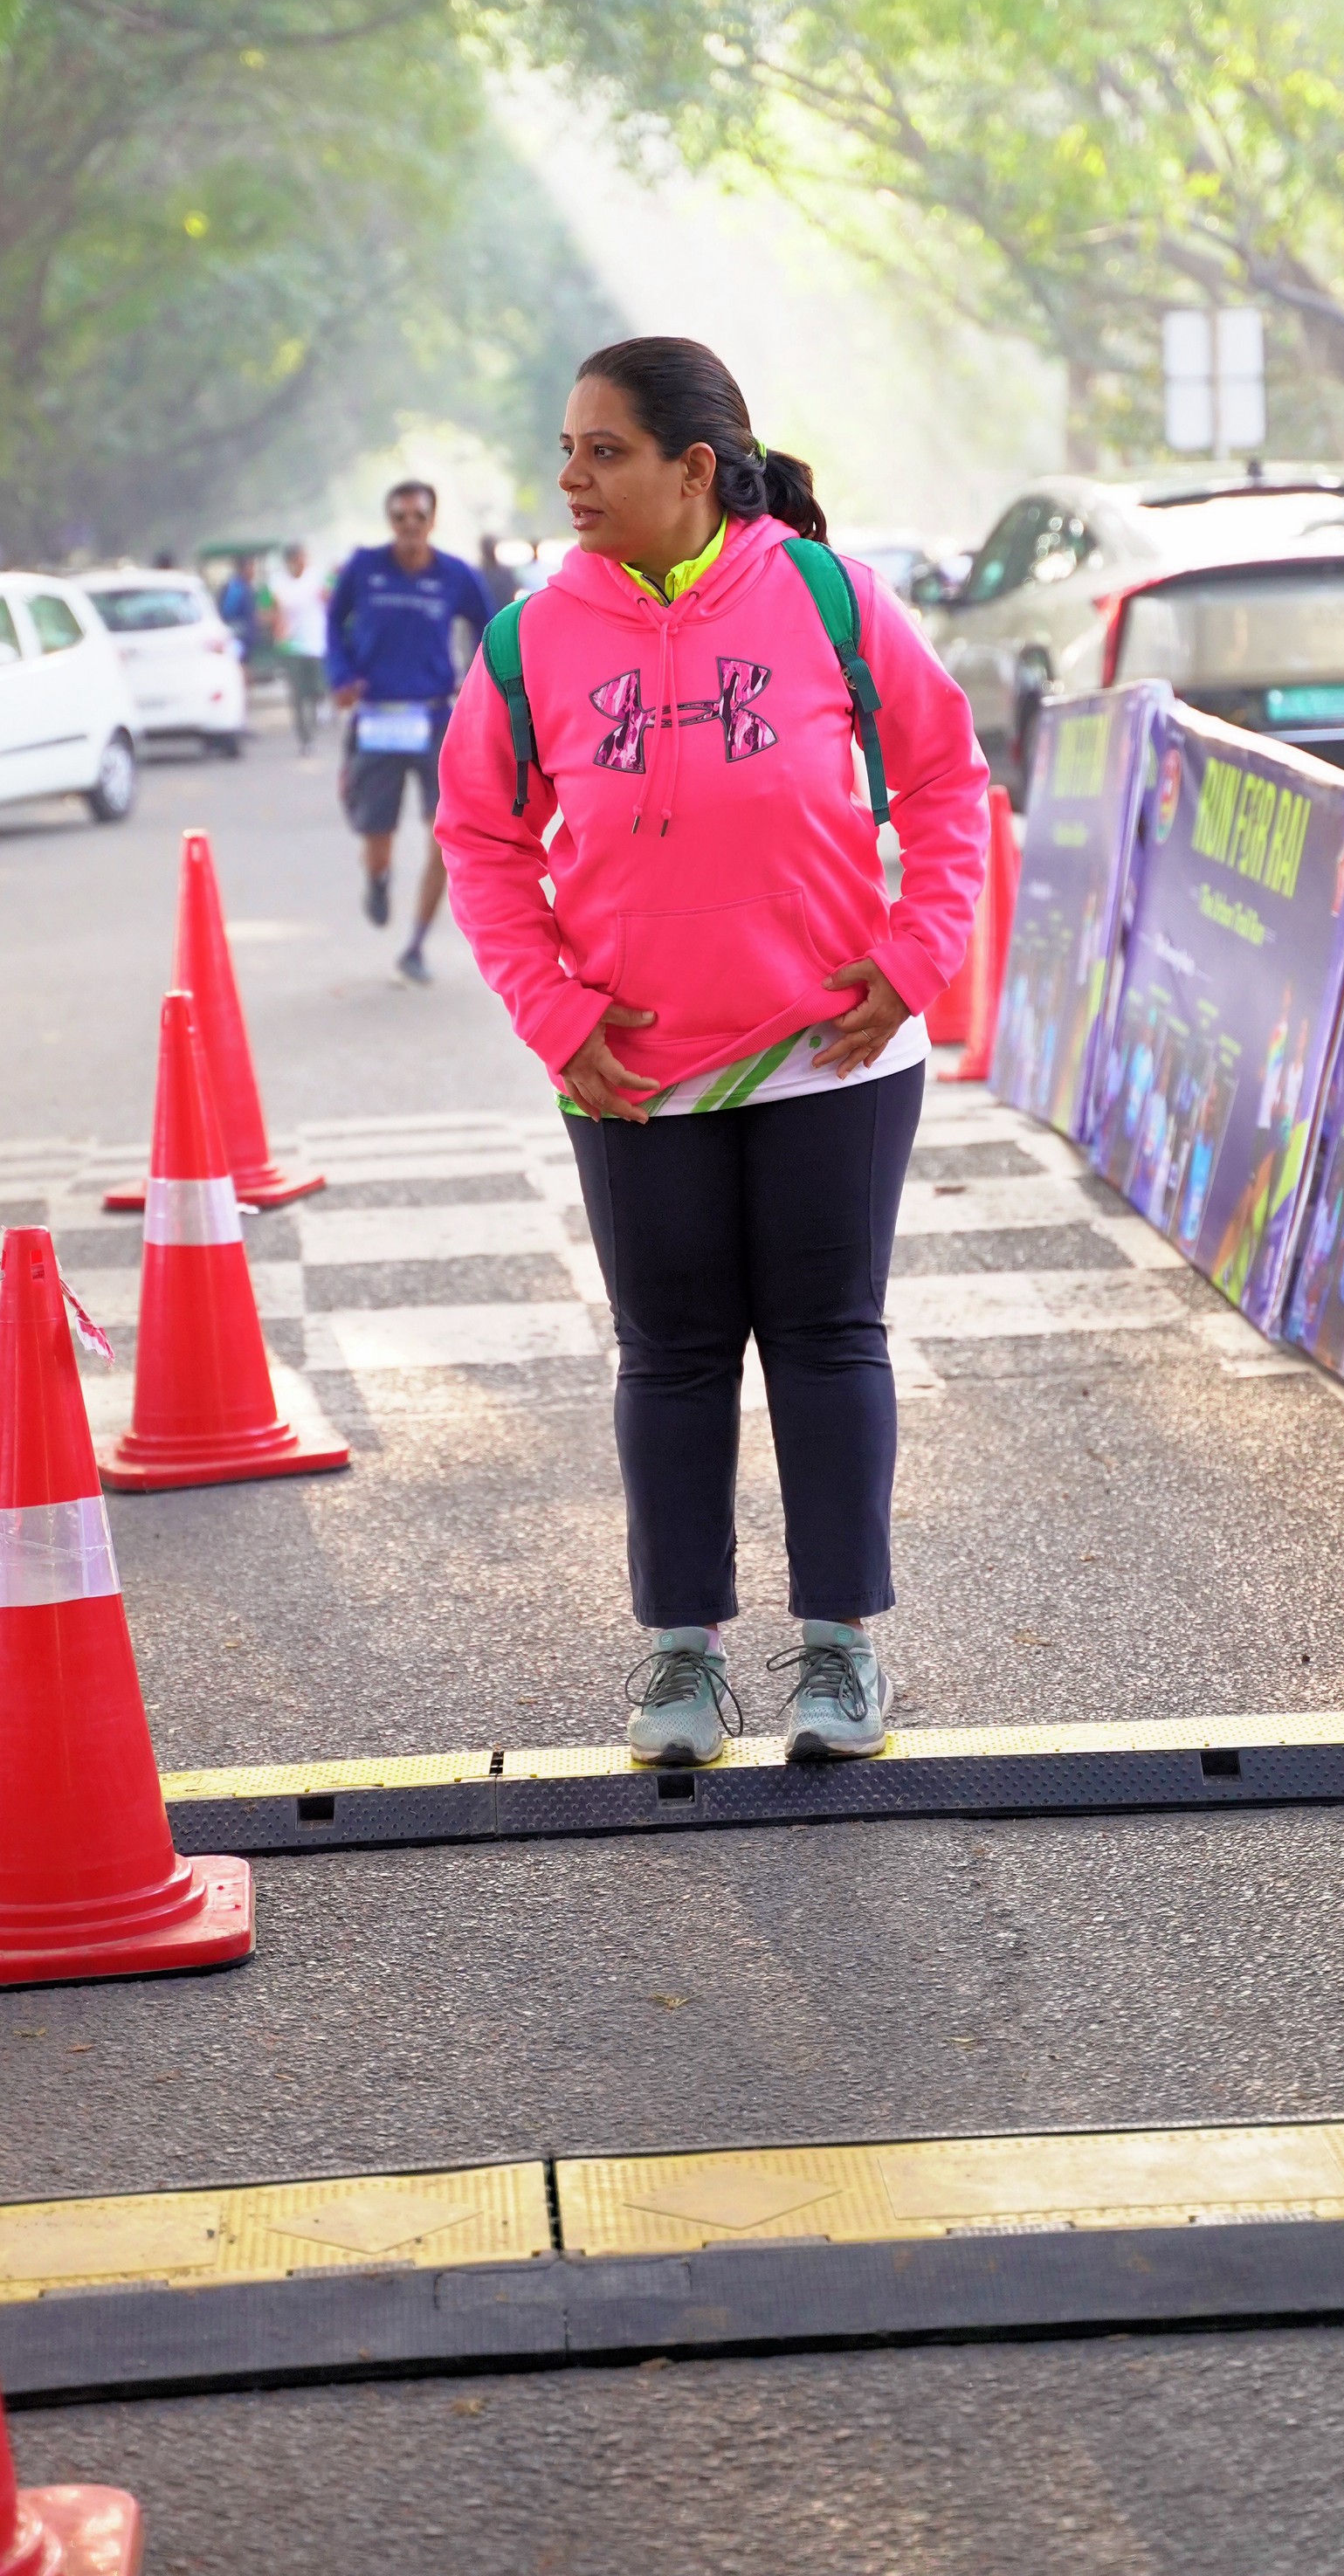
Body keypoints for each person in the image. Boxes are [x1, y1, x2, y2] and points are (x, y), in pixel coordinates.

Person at [437, 336, 989, 1767]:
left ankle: (839, 1652)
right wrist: (555, 1013)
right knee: (672, 1357)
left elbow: (945, 782)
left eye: (603, 451)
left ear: (694, 468)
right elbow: (482, 842)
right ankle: (682, 1659)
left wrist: (914, 958)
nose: (572, 478)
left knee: (827, 1340)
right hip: (631, 1070)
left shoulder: (826, 596)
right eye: (567, 450)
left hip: (832, 1050)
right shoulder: (529, 638)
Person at [326, 479, 493, 985]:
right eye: (401, 517)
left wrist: (478, 678)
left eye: (419, 517)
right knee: (378, 835)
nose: (410, 526)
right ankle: (377, 878)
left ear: (432, 521)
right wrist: (341, 676)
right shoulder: (364, 568)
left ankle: (417, 943)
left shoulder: (454, 575)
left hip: (435, 720)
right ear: (390, 521)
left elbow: (491, 627)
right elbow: (333, 624)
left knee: (444, 836)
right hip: (378, 718)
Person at [266, 541, 329, 758]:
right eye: (298, 559)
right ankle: (305, 739)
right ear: (289, 561)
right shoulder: (277, 582)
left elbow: (332, 601)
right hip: (290, 647)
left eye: (304, 558)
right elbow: (267, 610)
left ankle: (320, 708)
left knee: (318, 688)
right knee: (297, 696)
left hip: (316, 644)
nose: (302, 563)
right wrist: (276, 621)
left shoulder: (317, 577)